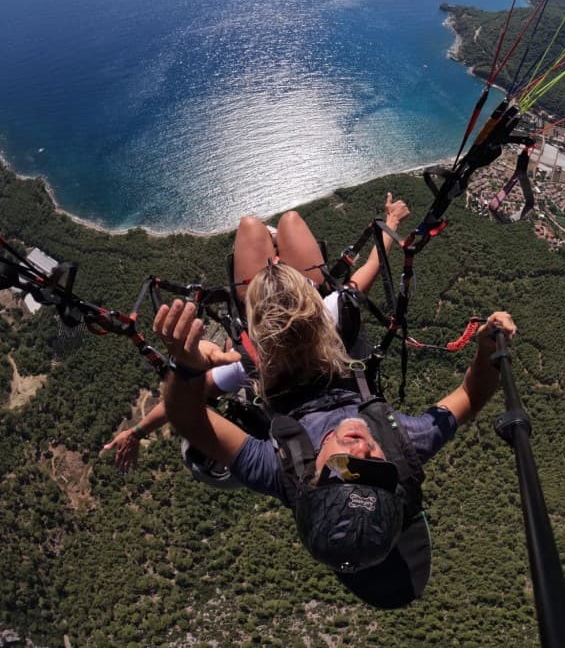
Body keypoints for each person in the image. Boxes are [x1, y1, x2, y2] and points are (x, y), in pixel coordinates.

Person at [154, 261, 515, 607]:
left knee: (260, 269)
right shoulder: (402, 448)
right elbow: (470, 396)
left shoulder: (283, 472)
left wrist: (182, 367)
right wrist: (486, 351)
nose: (363, 450)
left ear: (311, 481)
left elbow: (190, 421)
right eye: (377, 470)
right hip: (337, 358)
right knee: (310, 283)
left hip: (278, 371)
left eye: (344, 469)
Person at [102, 193, 410, 474]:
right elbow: (373, 263)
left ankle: (271, 268)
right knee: (288, 221)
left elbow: (186, 398)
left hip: (297, 297)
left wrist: (139, 429)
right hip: (297, 297)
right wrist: (392, 220)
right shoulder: (331, 313)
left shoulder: (256, 357)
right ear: (310, 306)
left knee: (251, 226)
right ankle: (280, 273)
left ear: (257, 322)